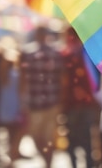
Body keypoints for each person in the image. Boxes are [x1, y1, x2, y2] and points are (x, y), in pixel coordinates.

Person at [20, 25, 65, 168]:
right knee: (45, 137)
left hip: (39, 103)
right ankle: (48, 162)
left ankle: (48, 162)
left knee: (39, 136)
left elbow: (22, 80)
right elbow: (63, 78)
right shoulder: (54, 53)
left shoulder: (29, 53)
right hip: (48, 102)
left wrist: (22, 99)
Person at [60, 27, 101, 168]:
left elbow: (63, 82)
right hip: (84, 103)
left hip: (75, 105)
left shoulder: (67, 55)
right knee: (85, 141)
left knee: (75, 141)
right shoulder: (88, 54)